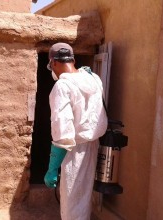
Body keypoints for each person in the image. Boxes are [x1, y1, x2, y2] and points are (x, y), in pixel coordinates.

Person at [44, 42, 108, 220]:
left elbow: (63, 132)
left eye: (51, 67)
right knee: (83, 201)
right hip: (92, 146)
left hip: (72, 152)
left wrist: (52, 168)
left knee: (72, 206)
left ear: (54, 62)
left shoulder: (62, 87)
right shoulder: (93, 78)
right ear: (73, 60)